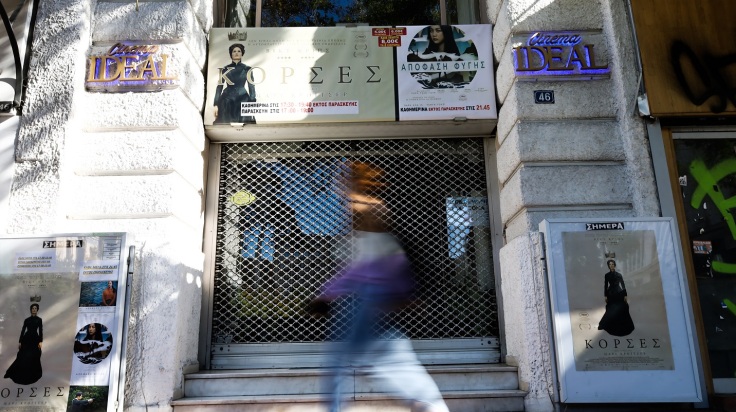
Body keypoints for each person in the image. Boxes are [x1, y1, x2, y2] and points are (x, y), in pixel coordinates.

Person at [308, 162, 450, 412]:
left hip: (365, 297)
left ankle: (428, 403)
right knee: (392, 358)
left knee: (340, 362)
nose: (339, 185)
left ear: (355, 181)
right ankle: (431, 404)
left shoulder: (364, 209)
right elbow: (380, 257)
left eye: (344, 179)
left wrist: (329, 293)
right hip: (376, 297)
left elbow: (365, 263)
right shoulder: (371, 209)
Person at [213, 43, 256, 124]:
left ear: (242, 53)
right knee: (225, 125)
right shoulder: (225, 69)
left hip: (243, 99)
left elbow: (251, 87)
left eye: (239, 51)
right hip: (227, 100)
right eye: (234, 51)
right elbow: (219, 87)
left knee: (244, 125)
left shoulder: (247, 69)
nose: (236, 53)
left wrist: (253, 103)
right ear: (231, 54)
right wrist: (215, 104)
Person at [3, 303, 43, 385]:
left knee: (34, 355)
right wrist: (20, 341)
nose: (34, 310)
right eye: (33, 308)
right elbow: (23, 330)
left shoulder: (39, 320)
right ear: (31, 310)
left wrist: (40, 341)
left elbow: (40, 331)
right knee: (22, 356)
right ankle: (19, 373)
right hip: (26, 339)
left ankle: (32, 374)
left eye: (35, 308)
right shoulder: (27, 320)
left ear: (37, 310)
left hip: (35, 339)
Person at [597, 259, 635, 336]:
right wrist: (605, 295)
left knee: (623, 307)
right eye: (610, 264)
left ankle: (623, 326)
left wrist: (625, 295)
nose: (611, 266)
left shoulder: (619, 275)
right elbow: (606, 285)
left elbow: (623, 285)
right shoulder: (607, 275)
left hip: (619, 293)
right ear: (608, 266)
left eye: (612, 264)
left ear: (614, 265)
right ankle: (609, 325)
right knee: (611, 308)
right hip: (610, 293)